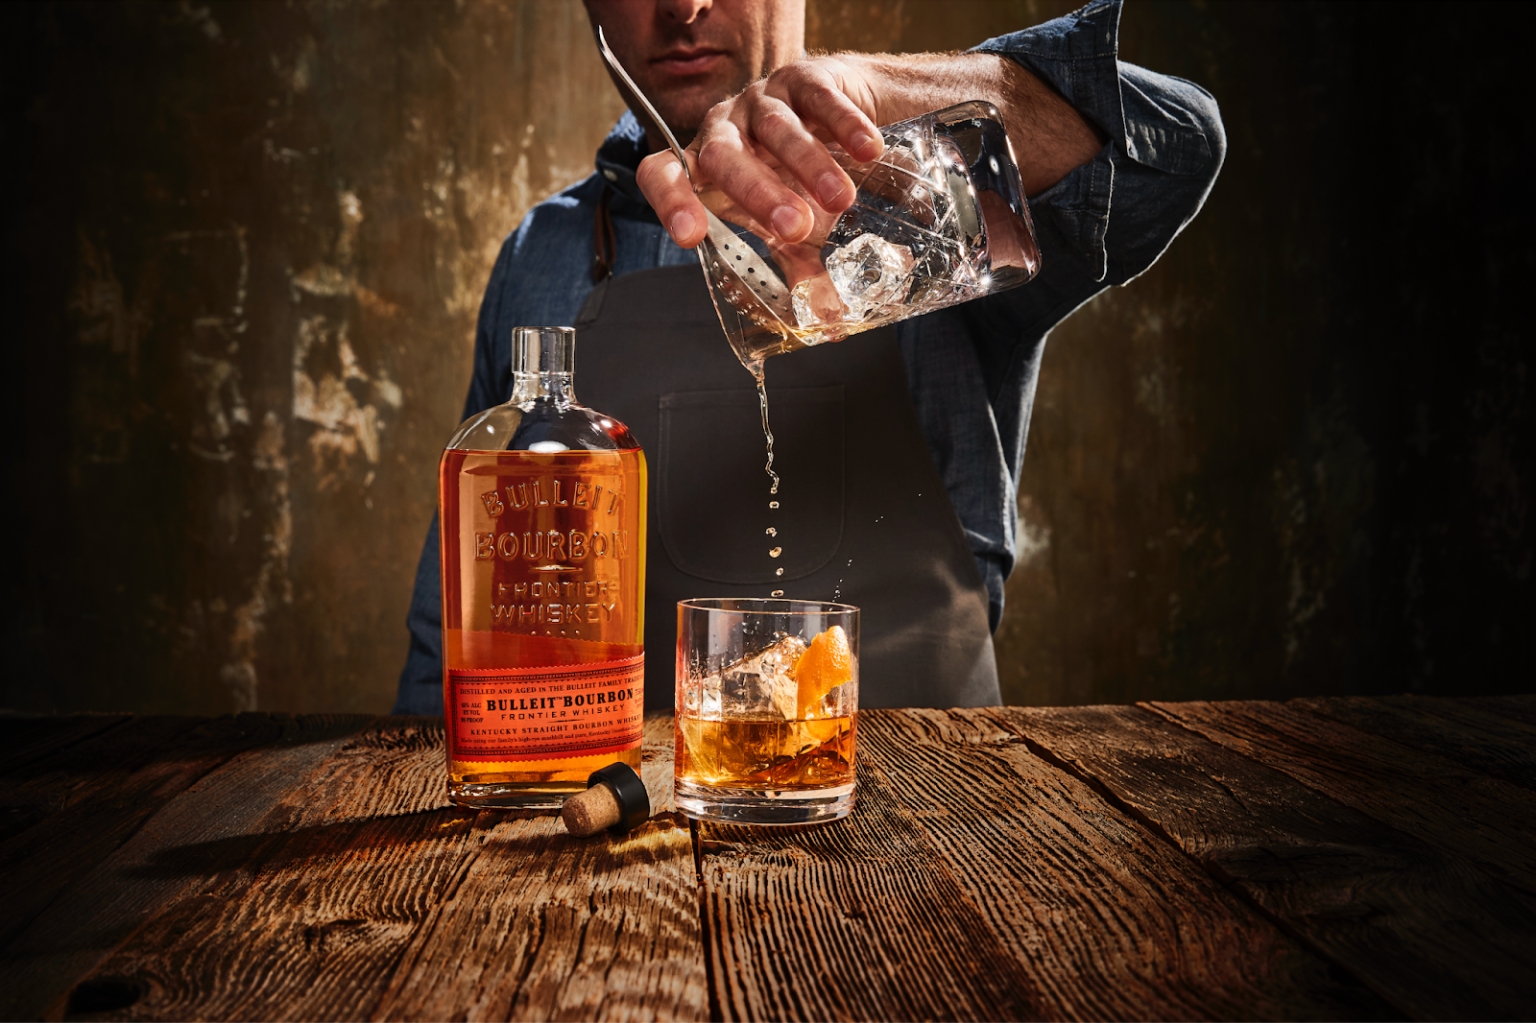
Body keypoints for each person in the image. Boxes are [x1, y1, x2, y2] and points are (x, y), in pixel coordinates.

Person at [394, 0, 1224, 714]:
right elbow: (455, 635)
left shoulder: (923, 199)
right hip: (618, 813)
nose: (682, 6)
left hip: (935, 807)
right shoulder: (538, 256)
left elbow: (1177, 144)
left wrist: (875, 95)